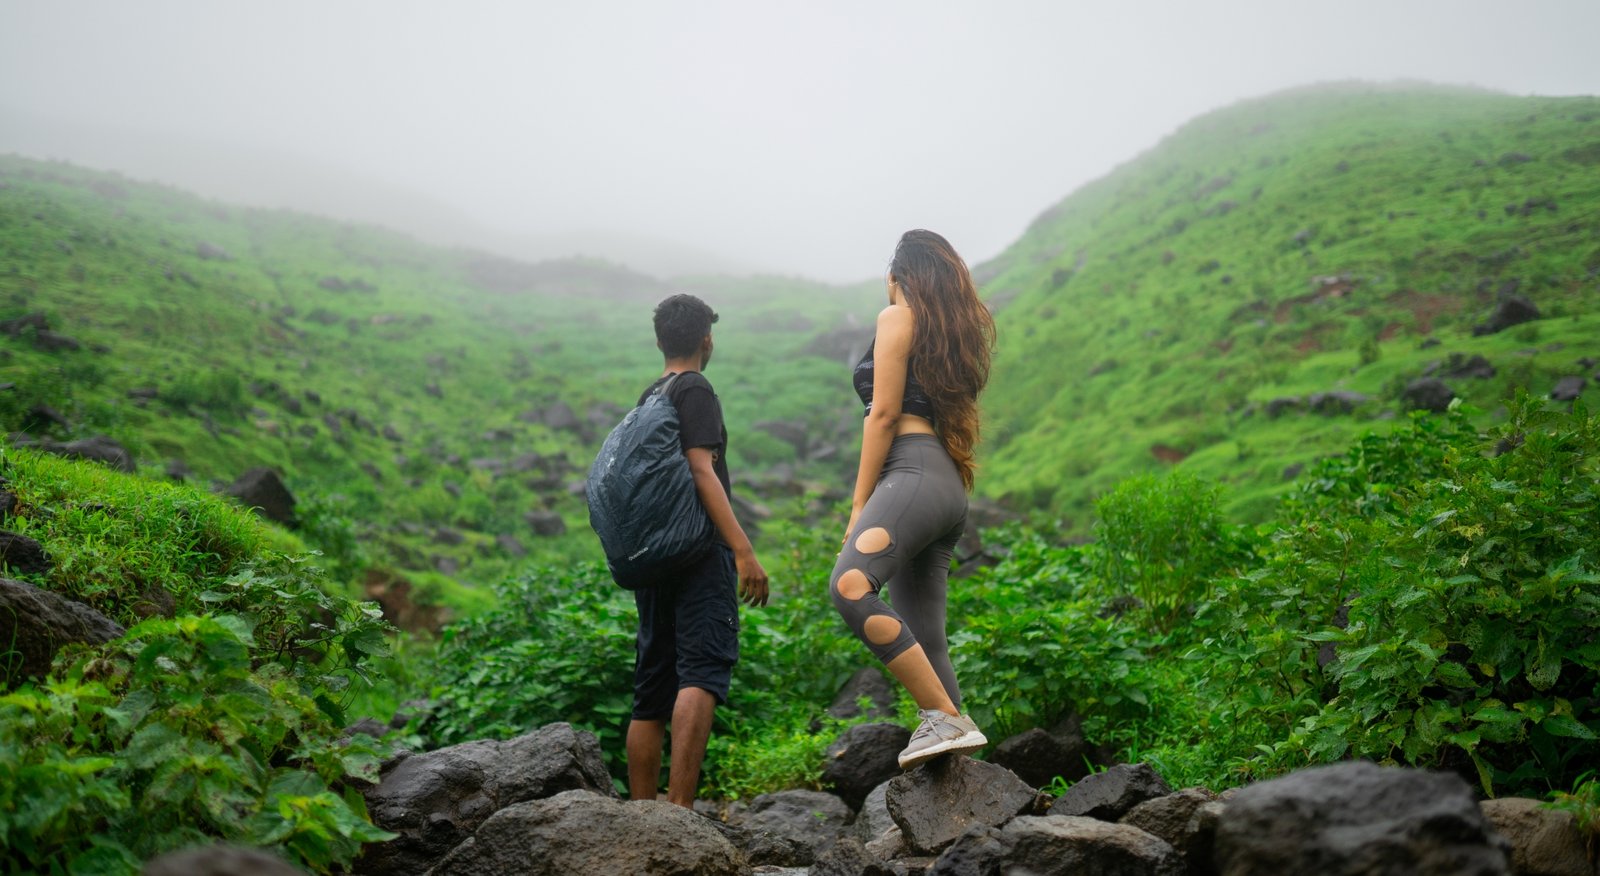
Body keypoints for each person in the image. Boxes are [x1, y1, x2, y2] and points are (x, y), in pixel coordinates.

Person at [830, 229, 997, 769]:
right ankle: (966, 786)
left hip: (911, 473)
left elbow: (881, 416)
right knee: (928, 639)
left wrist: (858, 507)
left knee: (851, 587)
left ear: (897, 277)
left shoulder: (897, 317)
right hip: (942, 485)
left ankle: (941, 718)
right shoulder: (946, 335)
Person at [626, 293, 770, 808]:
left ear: (659, 340)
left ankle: (642, 813)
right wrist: (742, 550)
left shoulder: (650, 396)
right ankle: (679, 813)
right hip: (697, 552)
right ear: (706, 340)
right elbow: (700, 468)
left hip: (654, 558)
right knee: (702, 670)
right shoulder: (696, 389)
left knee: (651, 689)